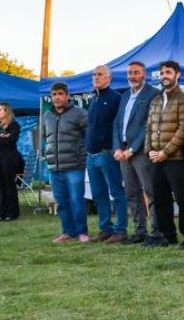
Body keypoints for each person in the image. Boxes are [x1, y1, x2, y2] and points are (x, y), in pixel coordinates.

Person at [146, 60, 184, 248]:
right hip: (156, 159)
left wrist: (165, 152)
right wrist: (149, 150)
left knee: (183, 199)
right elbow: (148, 127)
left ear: (177, 75)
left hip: (177, 158)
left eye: (168, 72)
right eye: (162, 73)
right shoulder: (156, 99)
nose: (164, 76)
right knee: (160, 198)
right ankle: (168, 235)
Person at [113, 60, 158, 245]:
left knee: (150, 191)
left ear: (144, 74)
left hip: (141, 151)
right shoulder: (124, 95)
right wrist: (117, 147)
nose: (133, 76)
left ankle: (156, 232)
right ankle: (140, 231)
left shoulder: (152, 93)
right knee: (131, 193)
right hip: (123, 151)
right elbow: (117, 123)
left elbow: (148, 125)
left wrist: (132, 149)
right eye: (130, 73)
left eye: (136, 72)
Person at [84, 66, 128, 243]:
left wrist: (116, 148)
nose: (96, 77)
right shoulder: (93, 98)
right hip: (91, 154)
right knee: (98, 194)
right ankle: (106, 229)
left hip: (107, 153)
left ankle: (121, 230)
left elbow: (119, 126)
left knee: (116, 192)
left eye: (100, 75)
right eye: (94, 75)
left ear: (109, 78)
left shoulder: (116, 98)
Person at [43, 82, 89, 243]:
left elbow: (88, 136)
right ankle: (68, 233)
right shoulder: (47, 115)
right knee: (62, 202)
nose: (57, 97)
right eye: (54, 94)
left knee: (77, 201)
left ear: (68, 96)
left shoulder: (79, 113)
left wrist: (81, 154)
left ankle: (82, 233)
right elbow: (46, 138)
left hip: (74, 165)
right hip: (54, 166)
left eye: (60, 94)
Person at [0, 102, 24, 221]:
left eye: (0, 109)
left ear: (6, 111)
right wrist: (0, 138)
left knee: (9, 185)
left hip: (10, 158)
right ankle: (2, 213)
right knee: (1, 186)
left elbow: (10, 140)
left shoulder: (14, 125)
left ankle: (12, 212)